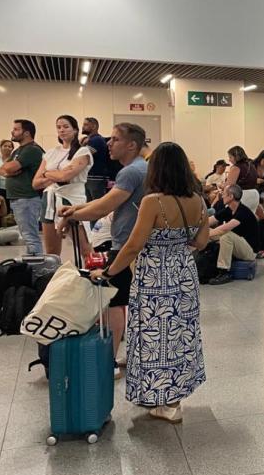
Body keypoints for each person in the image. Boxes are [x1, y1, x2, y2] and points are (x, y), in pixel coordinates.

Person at [89, 142, 209, 424]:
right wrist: (178, 243)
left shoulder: (153, 202)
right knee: (180, 335)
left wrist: (108, 272)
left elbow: (133, 246)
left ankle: (165, 401)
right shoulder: (198, 201)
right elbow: (202, 241)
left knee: (155, 336)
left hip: (155, 277)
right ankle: (174, 397)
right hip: (184, 274)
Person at [59, 122, 149, 361]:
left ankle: (109, 361)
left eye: (115, 139)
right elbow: (106, 200)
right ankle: (129, 356)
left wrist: (72, 216)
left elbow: (103, 208)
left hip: (126, 246)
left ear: (131, 145)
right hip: (131, 243)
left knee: (114, 302)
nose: (109, 143)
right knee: (125, 301)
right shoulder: (139, 168)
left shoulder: (131, 171)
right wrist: (76, 209)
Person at [33, 115, 93, 257]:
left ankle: (91, 270)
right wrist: (55, 175)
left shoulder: (83, 152)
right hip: (50, 199)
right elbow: (36, 183)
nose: (62, 130)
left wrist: (47, 173)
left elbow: (65, 177)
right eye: (59, 127)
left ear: (75, 130)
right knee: (51, 252)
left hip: (72, 198)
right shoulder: (50, 153)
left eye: (66, 127)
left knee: (85, 249)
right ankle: (54, 270)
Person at [0, 119, 44, 255]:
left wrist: (9, 170)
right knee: (27, 235)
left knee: (30, 236)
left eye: (16, 129)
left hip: (27, 198)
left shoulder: (32, 150)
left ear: (26, 133)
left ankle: (36, 262)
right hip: (20, 198)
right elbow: (2, 169)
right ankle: (33, 260)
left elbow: (9, 167)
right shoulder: (18, 151)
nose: (12, 132)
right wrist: (9, 171)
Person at [206, 184, 259, 285]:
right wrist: (195, 227)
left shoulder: (243, 212)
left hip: (250, 252)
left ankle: (224, 272)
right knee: (209, 231)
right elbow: (211, 220)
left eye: (224, 193)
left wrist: (205, 234)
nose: (222, 195)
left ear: (231, 196)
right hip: (239, 245)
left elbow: (225, 228)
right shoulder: (229, 210)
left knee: (227, 235)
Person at [81, 117, 111, 201]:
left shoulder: (96, 140)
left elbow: (83, 156)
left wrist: (80, 146)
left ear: (94, 126)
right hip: (91, 178)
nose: (83, 127)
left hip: (96, 178)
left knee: (97, 203)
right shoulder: (90, 140)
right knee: (89, 204)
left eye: (86, 125)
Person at [223, 146, 259, 211]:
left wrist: (222, 186)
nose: (229, 160)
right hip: (255, 195)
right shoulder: (251, 166)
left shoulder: (236, 168)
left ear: (236, 156)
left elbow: (229, 186)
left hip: (242, 196)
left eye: (230, 157)